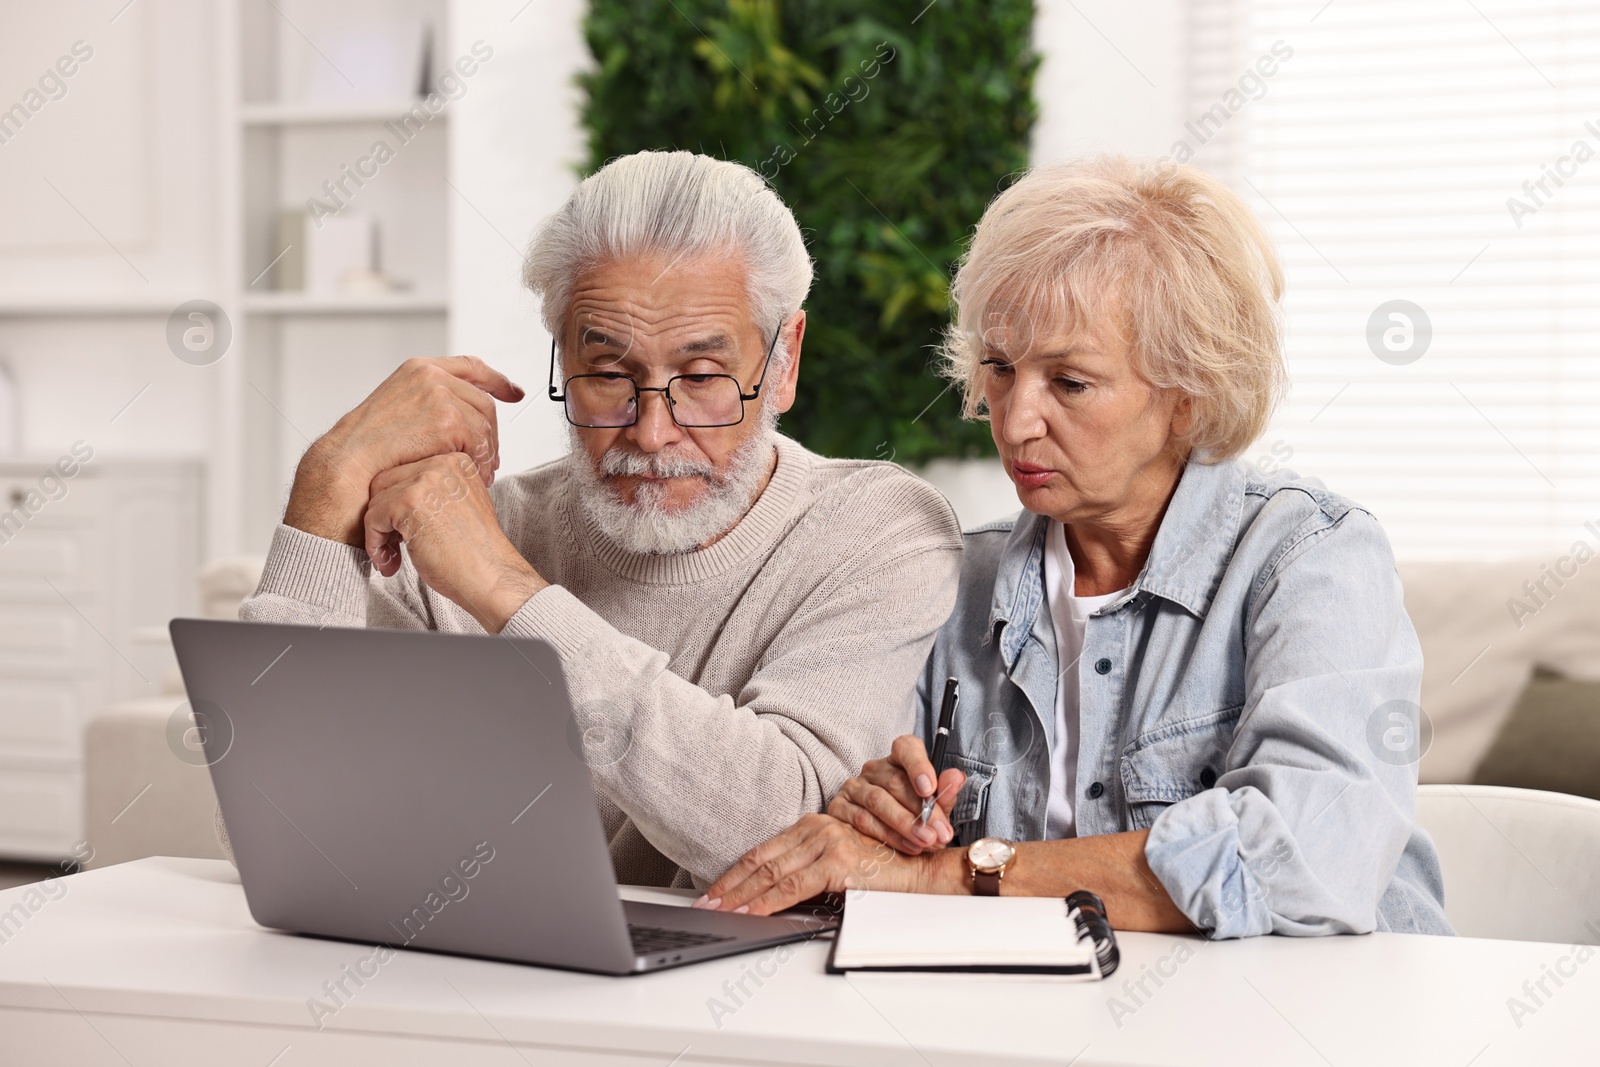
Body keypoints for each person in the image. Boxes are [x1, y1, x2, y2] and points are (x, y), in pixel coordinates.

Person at [699, 156, 1452, 938]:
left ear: (1188, 396)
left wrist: (944, 872)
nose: (1015, 420)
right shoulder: (950, 576)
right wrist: (875, 809)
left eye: (1070, 382)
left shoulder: (1314, 559)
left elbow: (1300, 863)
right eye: (1000, 368)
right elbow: (864, 843)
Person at [239, 150, 963, 888]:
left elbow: (786, 833)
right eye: (610, 375)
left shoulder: (879, 528)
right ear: (561, 355)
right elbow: (284, 829)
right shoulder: (460, 531)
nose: (651, 432)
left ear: (783, 362)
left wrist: (507, 590)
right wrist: (324, 487)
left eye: (703, 378)